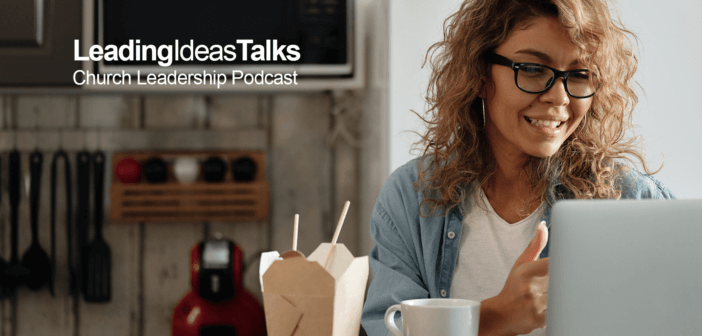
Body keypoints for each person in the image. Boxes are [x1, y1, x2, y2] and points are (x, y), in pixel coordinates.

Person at [360, 0, 675, 335]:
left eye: (581, 74)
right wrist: (495, 319)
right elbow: (384, 327)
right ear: (479, 76)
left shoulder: (632, 201)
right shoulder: (412, 197)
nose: (559, 97)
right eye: (532, 69)